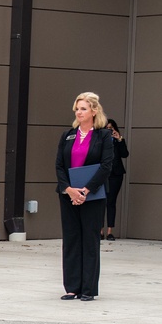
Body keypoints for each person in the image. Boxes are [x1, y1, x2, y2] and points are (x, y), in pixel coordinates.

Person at [55, 91, 114, 302]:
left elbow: (107, 165)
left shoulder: (103, 135)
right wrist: (69, 189)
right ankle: (72, 287)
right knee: (71, 239)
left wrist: (86, 190)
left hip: (93, 195)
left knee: (89, 240)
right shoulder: (68, 135)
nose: (79, 112)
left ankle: (88, 288)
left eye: (83, 108)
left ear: (94, 111)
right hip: (68, 195)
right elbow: (60, 165)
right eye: (77, 109)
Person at [103, 117, 128, 241]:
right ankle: (100, 231)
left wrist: (119, 139)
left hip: (116, 174)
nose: (109, 131)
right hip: (102, 175)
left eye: (111, 128)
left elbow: (125, 154)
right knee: (101, 202)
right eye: (106, 129)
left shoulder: (118, 141)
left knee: (111, 202)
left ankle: (110, 231)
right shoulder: (100, 141)